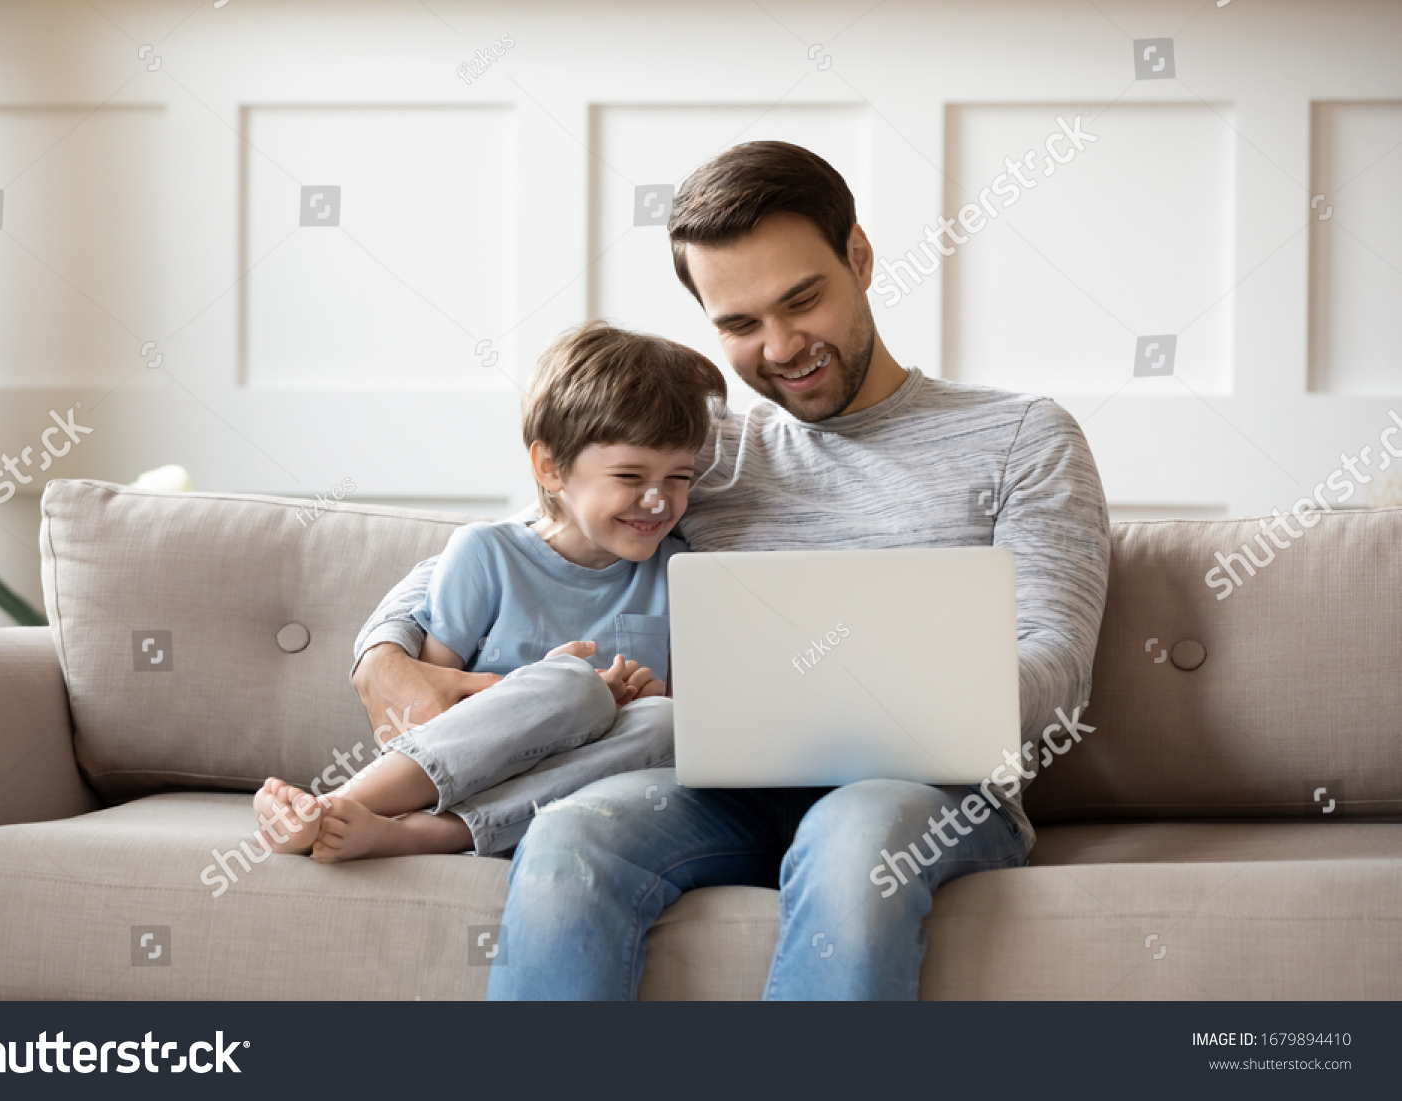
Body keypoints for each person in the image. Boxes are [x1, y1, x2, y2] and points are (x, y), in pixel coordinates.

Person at [351, 141, 1111, 999]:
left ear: (858, 258)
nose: (782, 347)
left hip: (919, 797)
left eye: (803, 300)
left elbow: (1057, 668)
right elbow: (531, 537)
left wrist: (878, 692)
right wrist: (383, 651)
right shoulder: (704, 458)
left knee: (854, 830)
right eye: (739, 325)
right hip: (716, 788)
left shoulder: (1024, 438)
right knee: (571, 830)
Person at [253, 322, 727, 861]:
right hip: (465, 776)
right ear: (551, 468)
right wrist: (556, 687)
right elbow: (431, 708)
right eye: (630, 476)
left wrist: (635, 701)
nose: (658, 501)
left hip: (571, 803)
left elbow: (681, 726)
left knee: (665, 721)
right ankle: (334, 806)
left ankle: (416, 837)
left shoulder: (681, 572)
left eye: (678, 479)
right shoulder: (485, 555)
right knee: (574, 685)